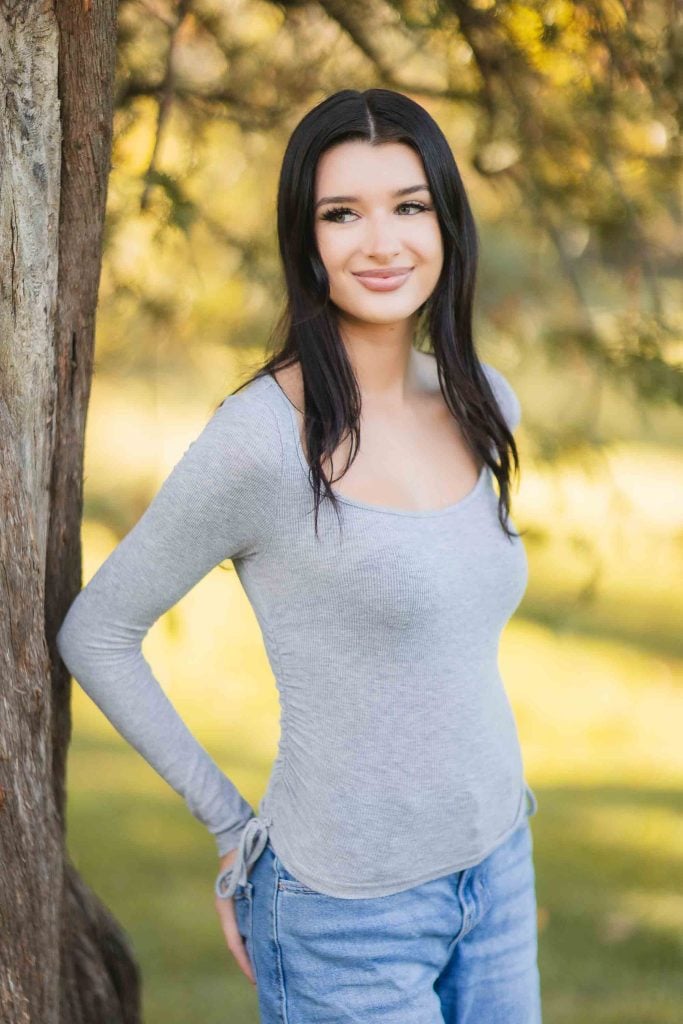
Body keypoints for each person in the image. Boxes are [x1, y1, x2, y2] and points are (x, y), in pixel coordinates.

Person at [56, 88, 542, 1023]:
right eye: (341, 213)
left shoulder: (483, 404)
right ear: (305, 239)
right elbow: (99, 633)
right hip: (345, 912)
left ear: (446, 220)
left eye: (408, 205)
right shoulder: (257, 445)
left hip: (496, 868)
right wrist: (235, 833)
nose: (382, 241)